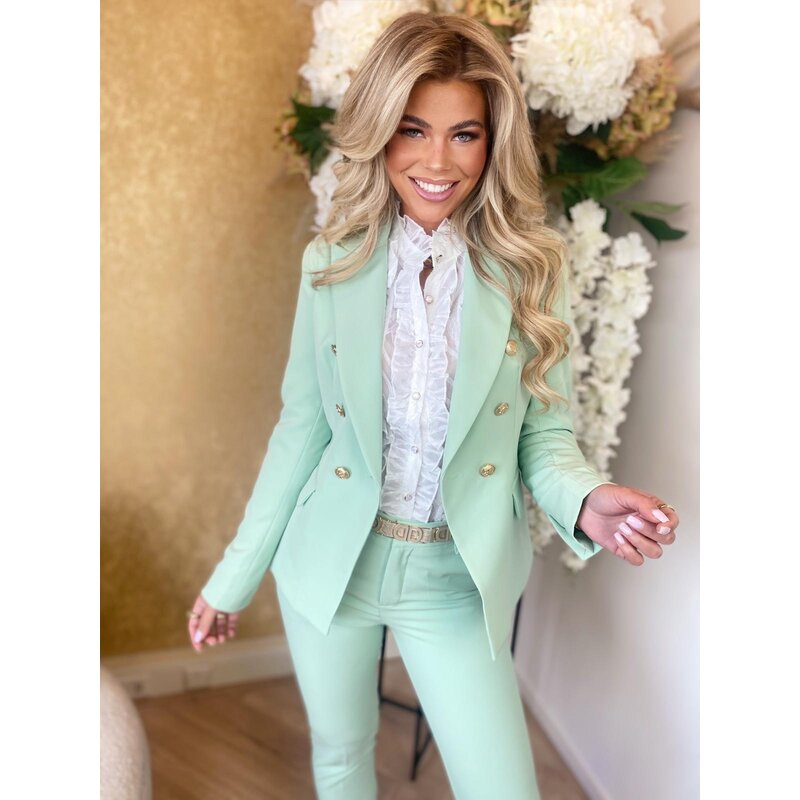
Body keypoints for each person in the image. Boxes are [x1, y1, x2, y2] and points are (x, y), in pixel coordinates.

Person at [186, 11, 679, 800]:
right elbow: (301, 431)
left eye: (465, 134)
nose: (438, 161)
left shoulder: (533, 269)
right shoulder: (330, 263)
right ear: (380, 129)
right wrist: (230, 580)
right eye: (413, 129)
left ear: (493, 141)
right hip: (330, 560)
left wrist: (587, 500)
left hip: (455, 577)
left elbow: (542, 434)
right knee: (340, 757)